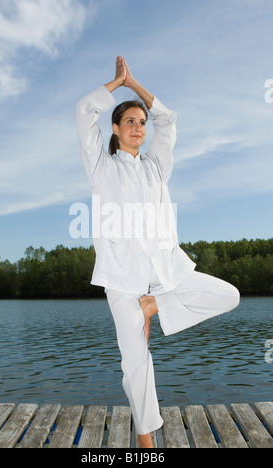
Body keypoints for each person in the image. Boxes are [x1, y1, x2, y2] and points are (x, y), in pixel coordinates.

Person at [75, 56, 240, 448]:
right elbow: (84, 111)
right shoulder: (101, 167)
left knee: (229, 295)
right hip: (122, 278)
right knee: (134, 361)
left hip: (167, 270)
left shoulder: (156, 167)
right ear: (114, 129)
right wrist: (117, 84)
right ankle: (146, 437)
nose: (138, 127)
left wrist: (137, 86)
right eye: (129, 121)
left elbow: (168, 120)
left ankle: (157, 306)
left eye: (141, 122)